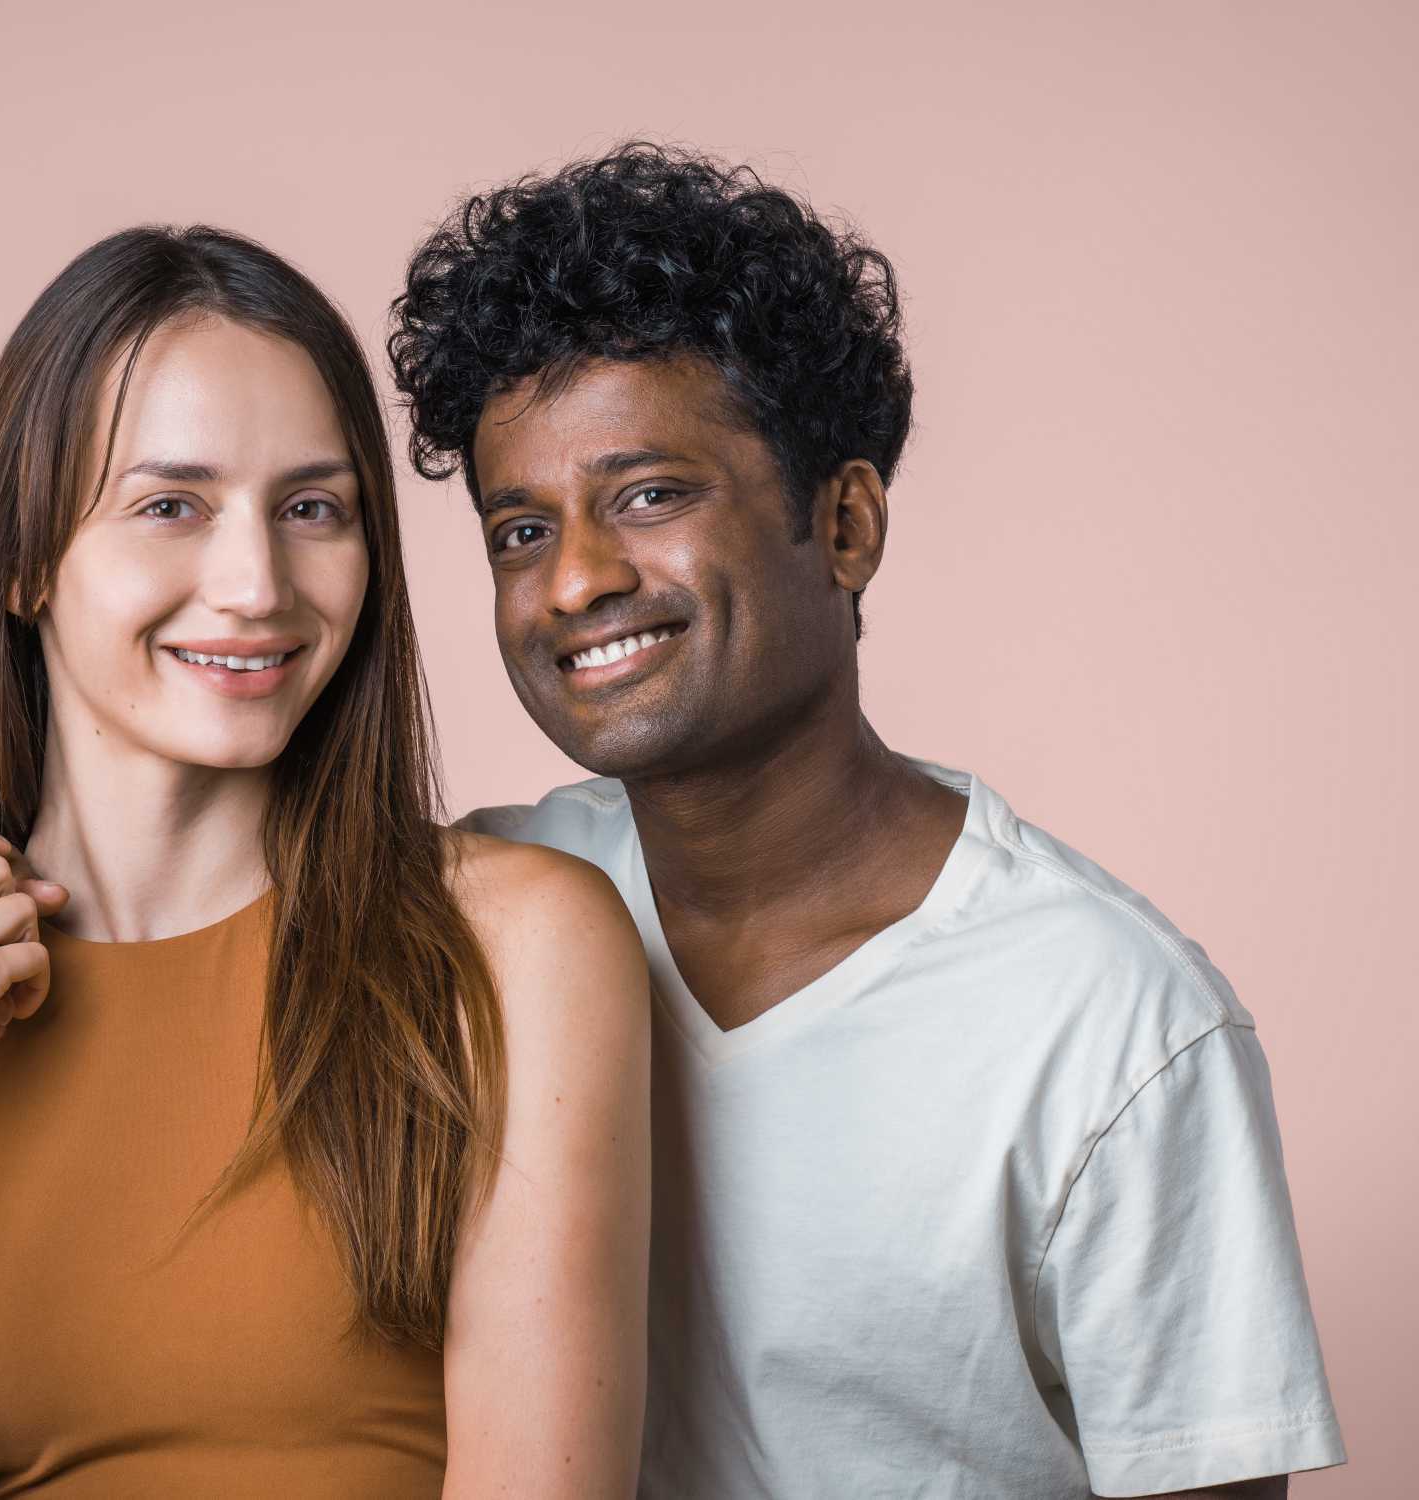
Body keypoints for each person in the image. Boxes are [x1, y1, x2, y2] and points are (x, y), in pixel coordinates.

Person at [385, 143, 1347, 1497]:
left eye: (647, 495)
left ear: (841, 525)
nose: (575, 582)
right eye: (516, 531)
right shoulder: (480, 909)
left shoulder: (1110, 1022)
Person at [0, 225, 652, 1499]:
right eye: (170, 506)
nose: (253, 583)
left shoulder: (515, 948)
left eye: (310, 509)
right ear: (18, 561)